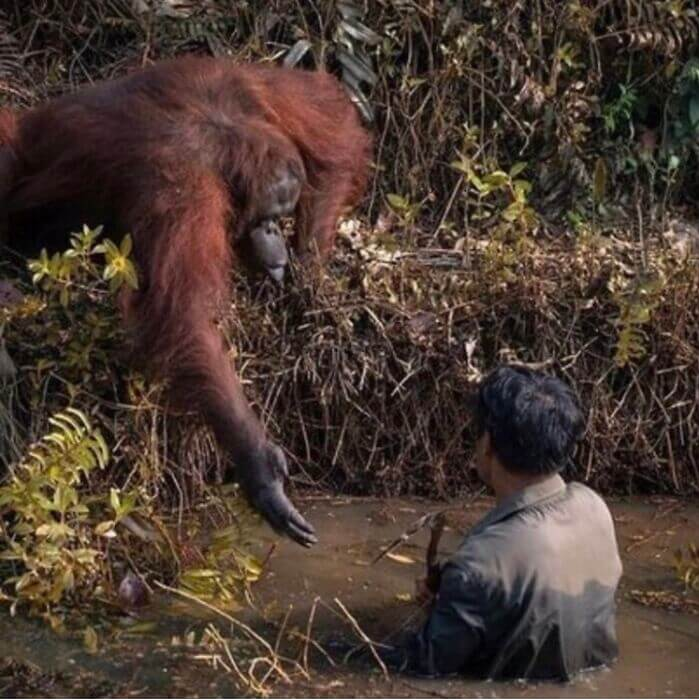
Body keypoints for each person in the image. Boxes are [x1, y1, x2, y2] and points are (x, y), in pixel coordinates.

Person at [384, 365, 623, 681]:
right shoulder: (594, 506)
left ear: (487, 445)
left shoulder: (479, 565)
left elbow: (425, 667)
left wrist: (432, 616)